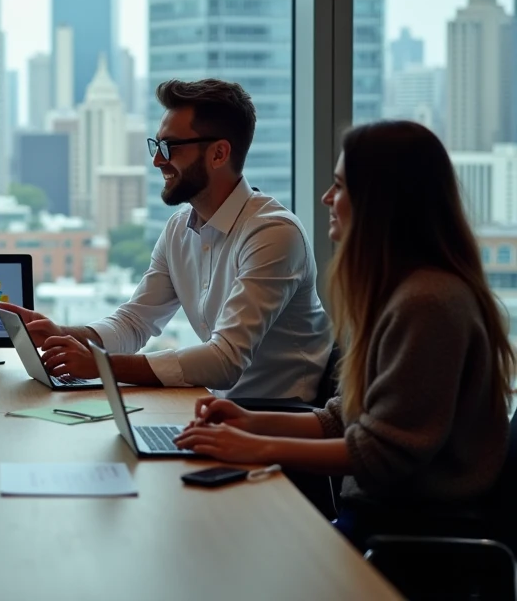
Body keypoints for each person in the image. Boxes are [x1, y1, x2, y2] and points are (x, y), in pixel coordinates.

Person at [175, 121, 515, 549]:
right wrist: (249, 421)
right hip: (383, 519)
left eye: (339, 186)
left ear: (383, 202)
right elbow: (345, 419)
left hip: (407, 535)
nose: (326, 199)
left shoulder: (428, 302)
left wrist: (257, 447)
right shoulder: (398, 292)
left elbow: (380, 453)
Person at [0, 79, 331, 400]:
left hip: (278, 419)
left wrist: (101, 365)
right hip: (215, 411)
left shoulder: (272, 234)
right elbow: (134, 323)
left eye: (169, 147)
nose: (157, 160)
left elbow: (224, 360)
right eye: (156, 145)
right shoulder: (178, 229)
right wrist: (62, 333)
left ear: (218, 154)